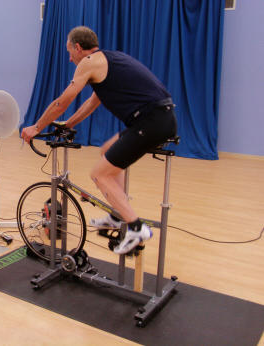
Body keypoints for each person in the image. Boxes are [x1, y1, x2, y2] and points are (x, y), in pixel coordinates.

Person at [21, 26, 177, 254]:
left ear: (77, 47)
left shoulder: (89, 62)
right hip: (159, 118)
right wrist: (68, 124)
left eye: (70, 52)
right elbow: (92, 103)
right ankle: (117, 214)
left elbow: (63, 101)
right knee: (107, 150)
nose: (69, 58)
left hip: (151, 122)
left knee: (99, 174)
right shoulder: (110, 60)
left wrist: (36, 127)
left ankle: (136, 228)